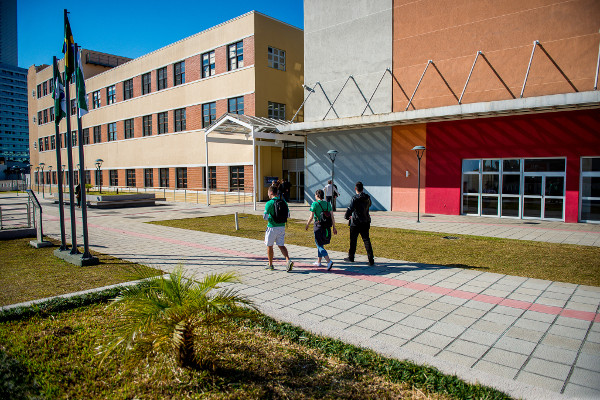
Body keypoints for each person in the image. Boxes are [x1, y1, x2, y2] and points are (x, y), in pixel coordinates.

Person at [263, 185, 294, 272]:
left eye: (268, 193)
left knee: (269, 245)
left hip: (272, 227)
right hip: (282, 227)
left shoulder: (269, 203)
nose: (268, 194)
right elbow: (288, 215)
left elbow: (265, 217)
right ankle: (288, 260)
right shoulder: (284, 202)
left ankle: (270, 264)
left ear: (271, 193)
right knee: (281, 245)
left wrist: (271, 218)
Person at [305, 189, 337, 270]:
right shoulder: (327, 204)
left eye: (315, 195)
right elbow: (332, 216)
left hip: (318, 226)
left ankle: (328, 261)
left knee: (319, 245)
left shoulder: (315, 204)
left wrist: (307, 225)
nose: (315, 196)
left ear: (317, 195)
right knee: (321, 243)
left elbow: (311, 217)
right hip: (326, 226)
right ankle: (319, 262)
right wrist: (334, 227)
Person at [344, 181, 374, 265]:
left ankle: (351, 257)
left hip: (356, 222)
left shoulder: (355, 198)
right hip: (365, 220)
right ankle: (371, 259)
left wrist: (346, 216)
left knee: (353, 240)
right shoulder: (367, 197)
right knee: (366, 240)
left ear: (355, 189)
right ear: (362, 189)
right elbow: (369, 205)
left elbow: (350, 208)